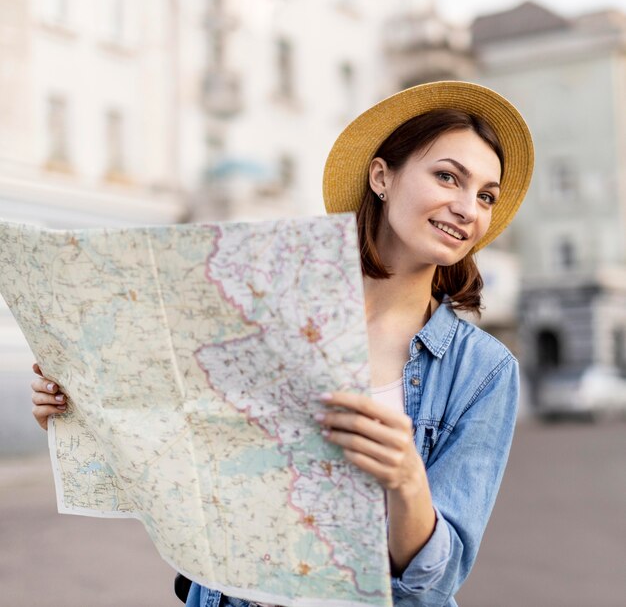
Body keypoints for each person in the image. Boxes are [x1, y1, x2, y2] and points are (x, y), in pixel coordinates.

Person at [31, 80, 534, 607]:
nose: (466, 208)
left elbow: (441, 576)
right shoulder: (262, 313)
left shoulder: (484, 371)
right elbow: (179, 459)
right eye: (447, 176)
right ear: (382, 176)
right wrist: (77, 409)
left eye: (485, 196)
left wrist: (407, 482)